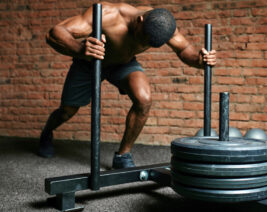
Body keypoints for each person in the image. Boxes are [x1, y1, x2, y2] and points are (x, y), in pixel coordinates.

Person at [38, 2, 217, 169]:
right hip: (89, 62)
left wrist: (199, 60)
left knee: (144, 99)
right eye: (142, 38)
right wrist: (79, 49)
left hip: (123, 64)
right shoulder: (108, 15)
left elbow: (184, 49)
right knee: (67, 111)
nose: (142, 44)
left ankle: (123, 155)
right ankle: (47, 133)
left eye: (147, 45)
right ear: (140, 20)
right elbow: (55, 33)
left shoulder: (163, 24)